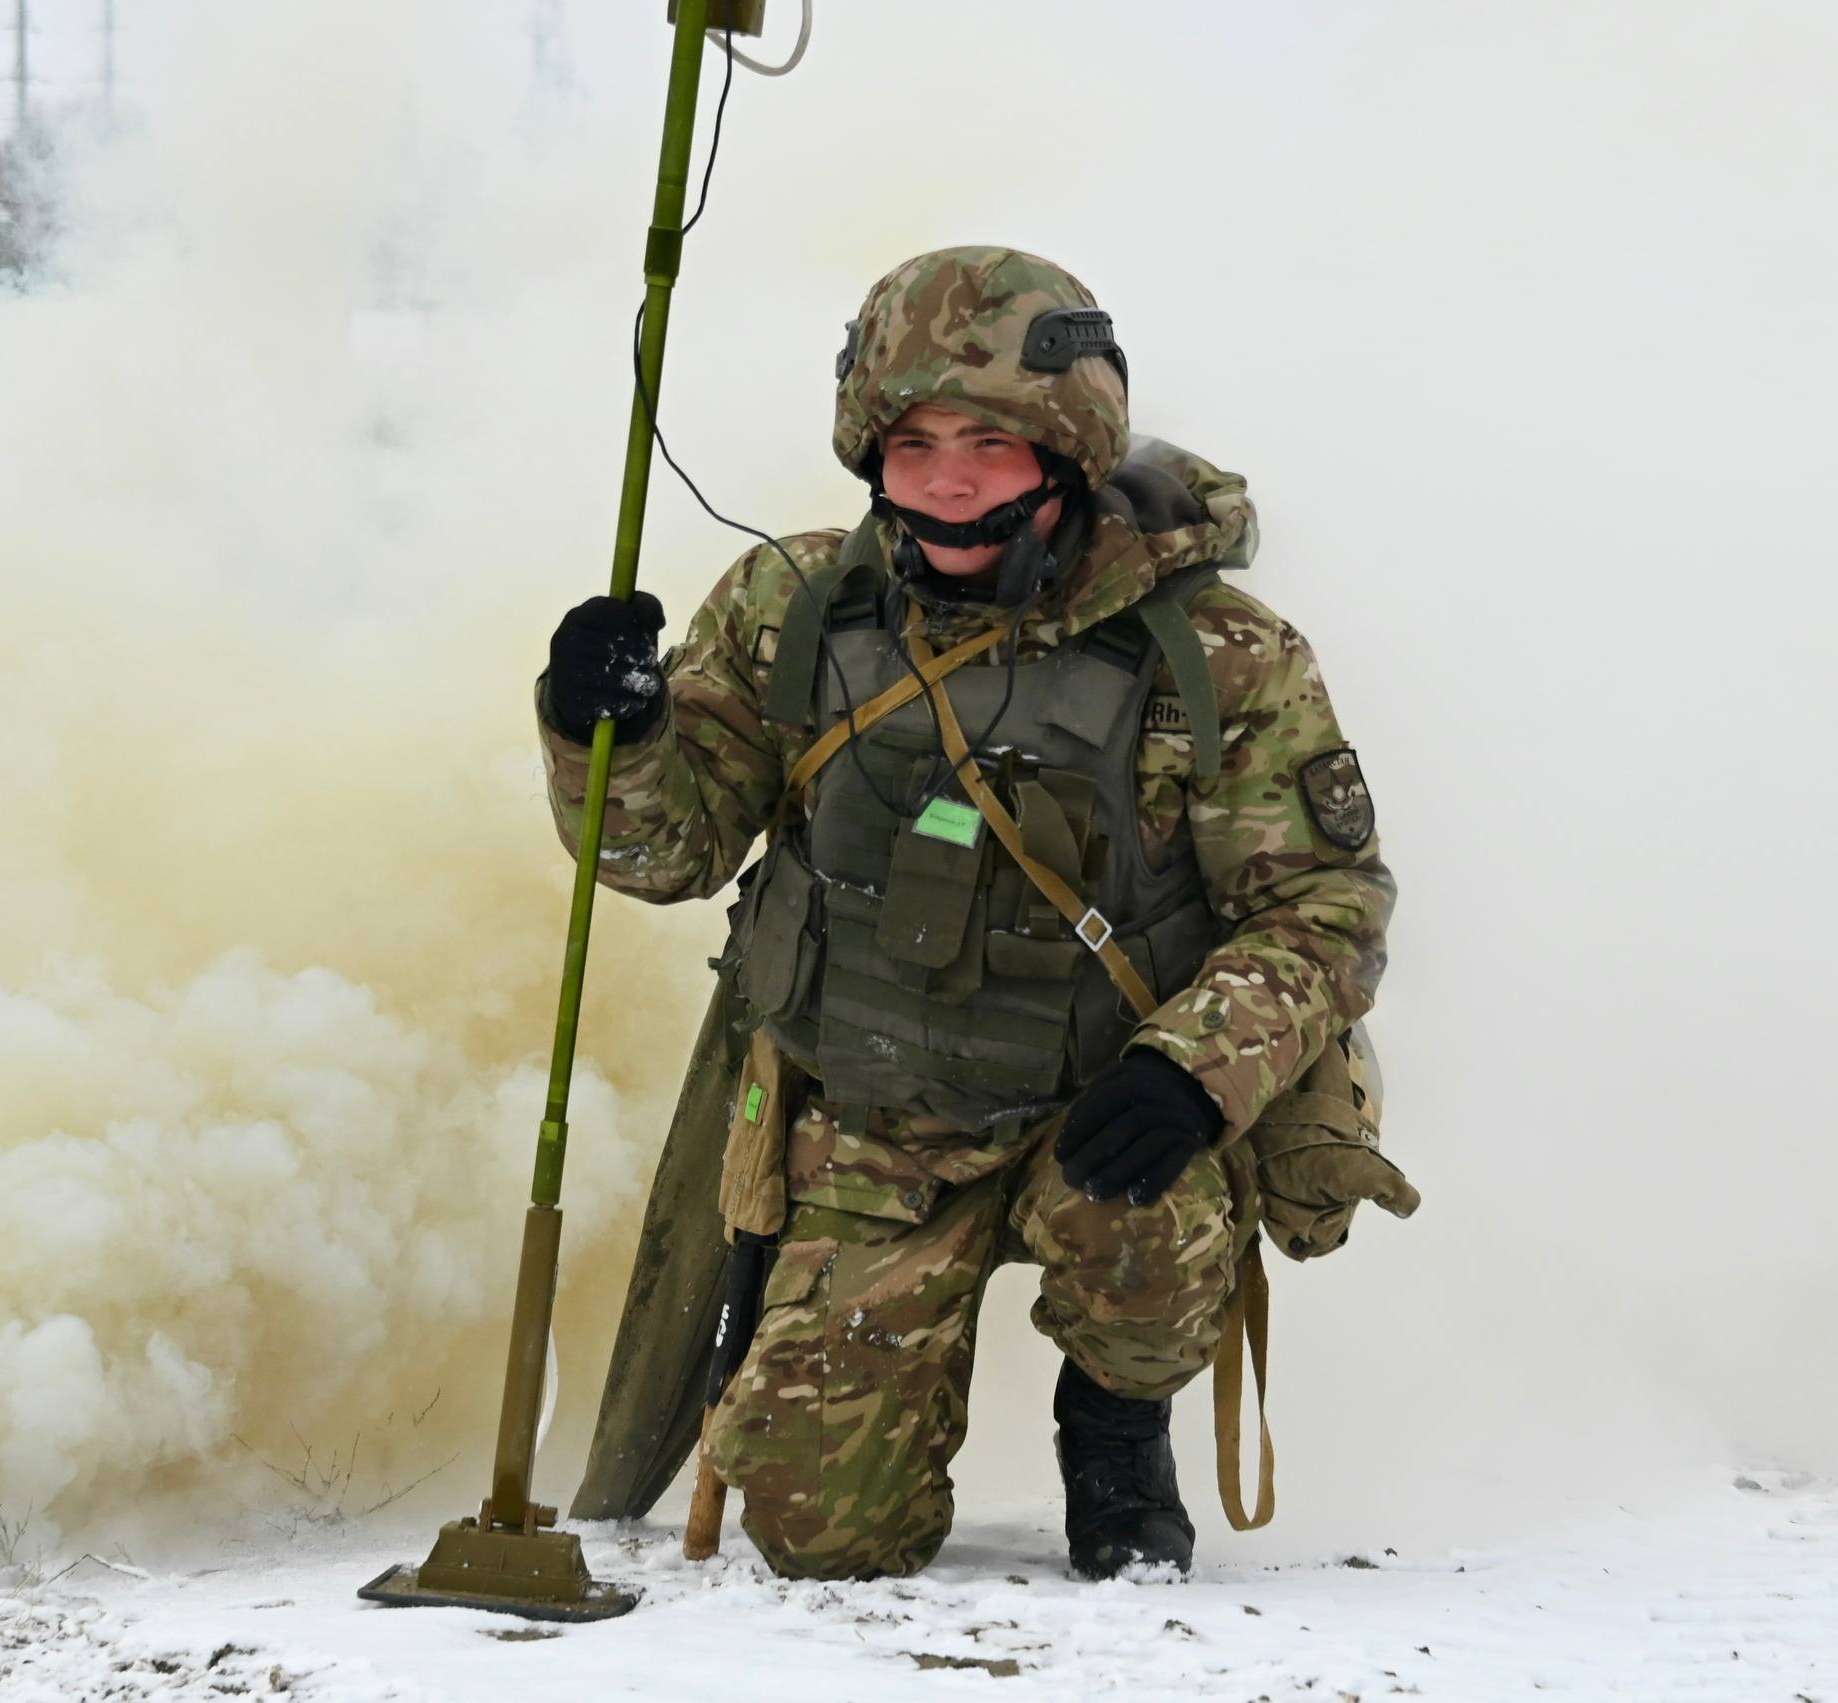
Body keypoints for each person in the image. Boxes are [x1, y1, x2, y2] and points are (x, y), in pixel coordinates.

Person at [538, 247, 1393, 1582]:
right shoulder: (796, 609)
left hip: (1104, 1115)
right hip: (878, 1122)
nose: (946, 477)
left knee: (1149, 1223)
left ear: (1071, 449)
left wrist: (1190, 1076)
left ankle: (1115, 1424)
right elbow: (663, 855)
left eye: (991, 441)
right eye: (915, 439)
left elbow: (1326, 907)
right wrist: (608, 733)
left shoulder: (1218, 653)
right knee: (823, 1538)